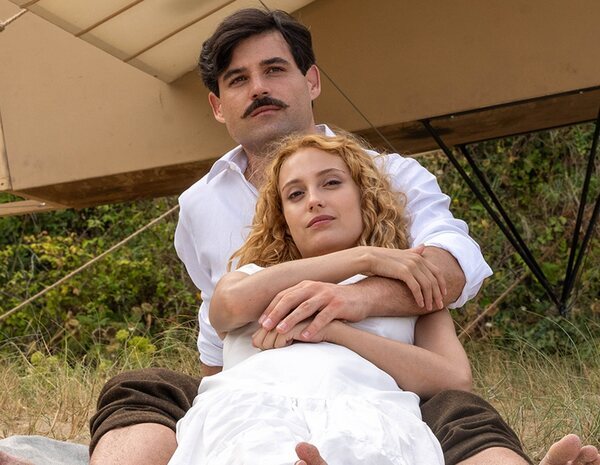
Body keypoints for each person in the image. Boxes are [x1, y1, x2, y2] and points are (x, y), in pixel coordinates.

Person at [81, 7, 597, 465]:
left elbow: (448, 267)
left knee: (459, 412)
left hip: (379, 389)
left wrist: (342, 306)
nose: (258, 88)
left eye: (274, 69)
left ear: (311, 81)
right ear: (218, 106)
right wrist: (218, 403)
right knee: (146, 389)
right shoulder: (199, 207)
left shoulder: (393, 174)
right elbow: (218, 316)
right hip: (253, 384)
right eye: (238, 79)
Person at [168, 132, 472, 464]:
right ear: (283, 218)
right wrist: (363, 258)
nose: (313, 200)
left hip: (367, 422)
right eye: (295, 194)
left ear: (364, 195)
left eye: (331, 183)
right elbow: (228, 306)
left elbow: (454, 379)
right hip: (248, 418)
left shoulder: (401, 287)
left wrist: (331, 330)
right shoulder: (254, 275)